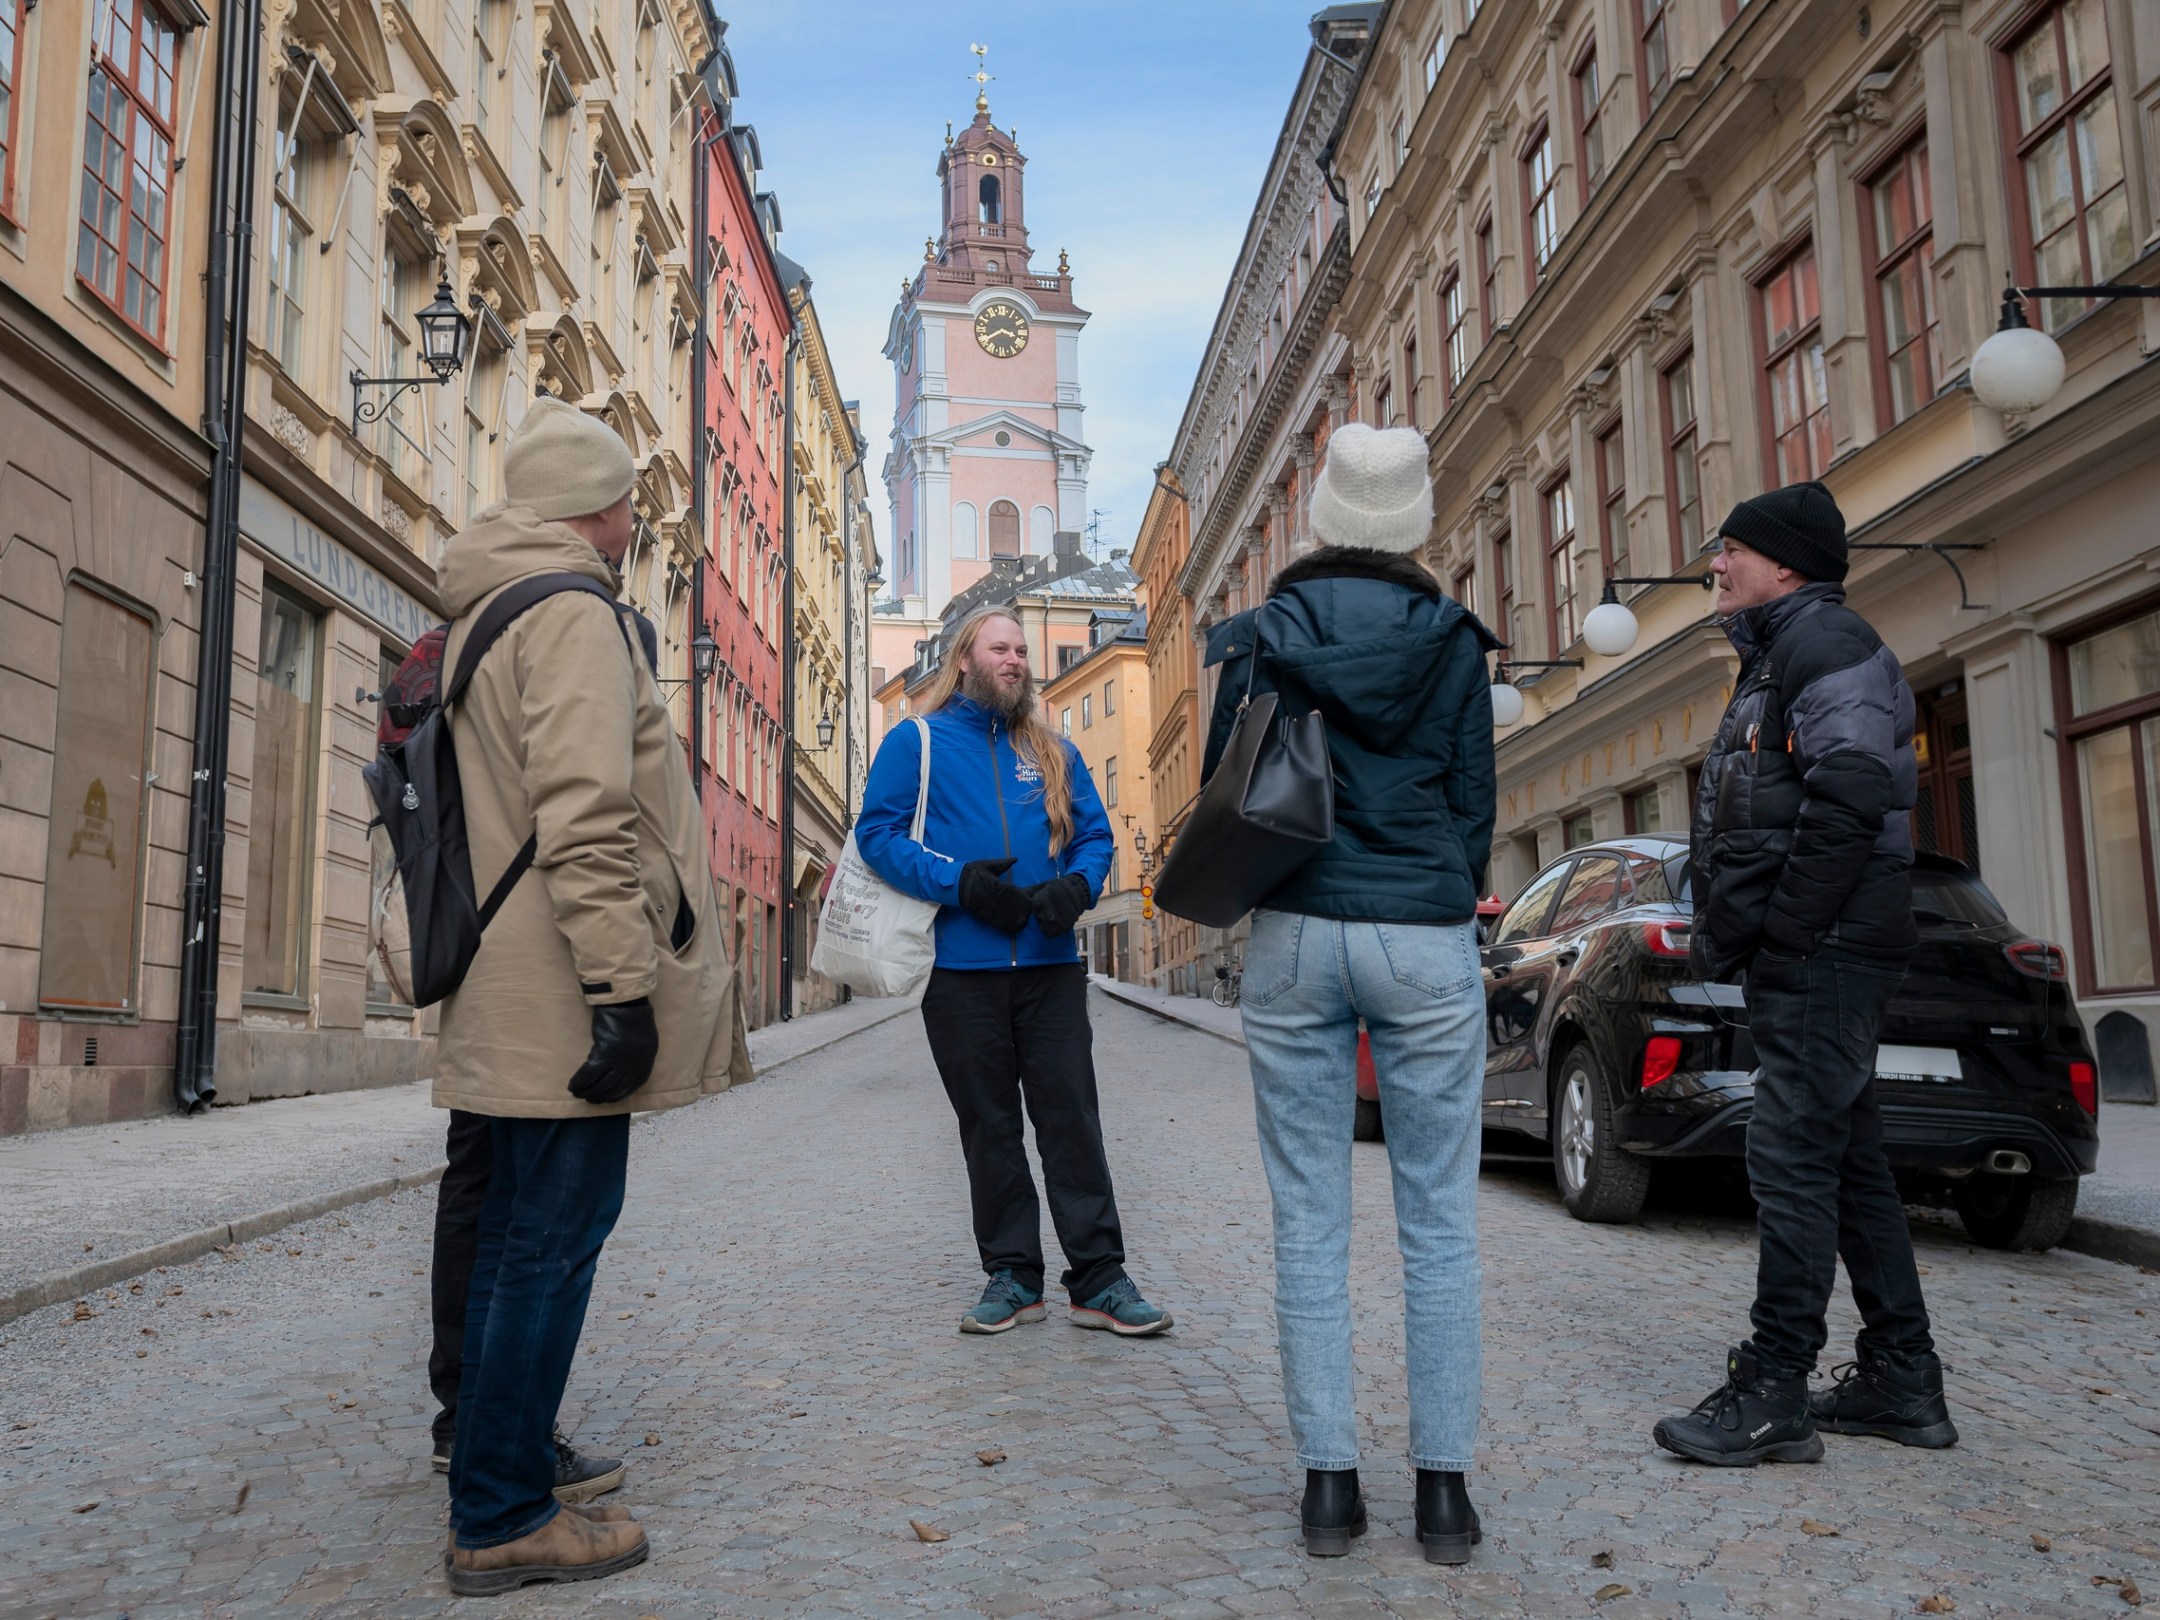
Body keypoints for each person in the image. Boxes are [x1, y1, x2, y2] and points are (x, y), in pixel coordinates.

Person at [433, 397, 752, 1594]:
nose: (635, 520)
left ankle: (503, 1460)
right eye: (627, 499)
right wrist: (624, 987)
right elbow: (584, 810)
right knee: (550, 1242)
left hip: (517, 968)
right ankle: (503, 1513)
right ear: (593, 506)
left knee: (523, 1232)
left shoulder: (493, 604)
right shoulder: (569, 611)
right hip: (564, 977)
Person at [1202, 423, 1498, 1564]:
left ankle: (1330, 1487)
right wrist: (1435, 885)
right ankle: (1443, 1496)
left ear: (1322, 514)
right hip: (1421, 928)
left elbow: (1237, 784)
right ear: (1415, 520)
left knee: (1310, 1218)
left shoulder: (1265, 634)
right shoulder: (1454, 642)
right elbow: (1474, 801)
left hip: (1294, 927)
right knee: (1439, 1219)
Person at [1652, 480, 1952, 1466]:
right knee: (1851, 1167)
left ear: (1784, 563)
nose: (1716, 566)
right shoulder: (1783, 654)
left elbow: (1851, 797)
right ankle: (1903, 1384)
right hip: (1817, 950)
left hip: (1824, 951)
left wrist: (1782, 933)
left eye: (1731, 550)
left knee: (1787, 1162)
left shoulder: (1824, 646)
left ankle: (1774, 1387)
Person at [855, 605, 1173, 1339]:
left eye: (1022, 651)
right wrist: (960, 883)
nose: (1016, 661)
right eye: (1001, 648)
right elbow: (876, 835)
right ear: (963, 657)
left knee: (1071, 1120)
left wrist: (1078, 888)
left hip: (1052, 969)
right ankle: (1012, 1276)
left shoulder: (1055, 752)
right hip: (961, 973)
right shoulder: (918, 741)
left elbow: (1095, 838)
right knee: (989, 1127)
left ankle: (1099, 1279)